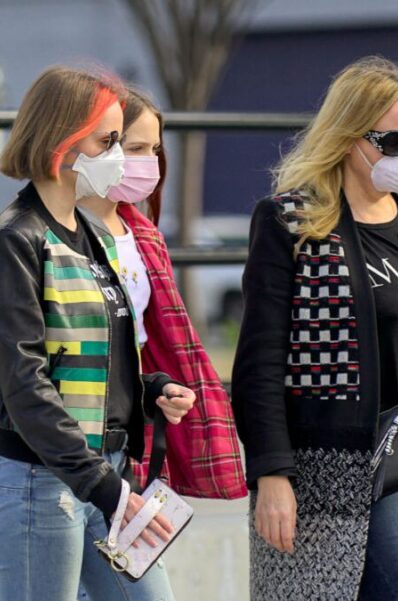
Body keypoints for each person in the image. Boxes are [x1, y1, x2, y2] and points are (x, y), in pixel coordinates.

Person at [232, 56, 398, 601]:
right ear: (348, 136)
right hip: (343, 462)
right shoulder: (292, 222)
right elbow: (259, 361)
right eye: (393, 141)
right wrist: (271, 473)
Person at [0, 66, 196, 601]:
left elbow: (95, 356)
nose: (119, 155)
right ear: (61, 140)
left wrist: (151, 388)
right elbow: (26, 384)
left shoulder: (91, 234)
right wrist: (108, 490)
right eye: (109, 140)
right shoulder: (15, 240)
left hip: (101, 478)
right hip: (41, 484)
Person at [77, 87, 246, 500]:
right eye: (134, 147)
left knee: (139, 564)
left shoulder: (145, 236)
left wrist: (160, 389)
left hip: (132, 432)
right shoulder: (56, 233)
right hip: (75, 436)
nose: (147, 163)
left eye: (154, 149)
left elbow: (150, 339)